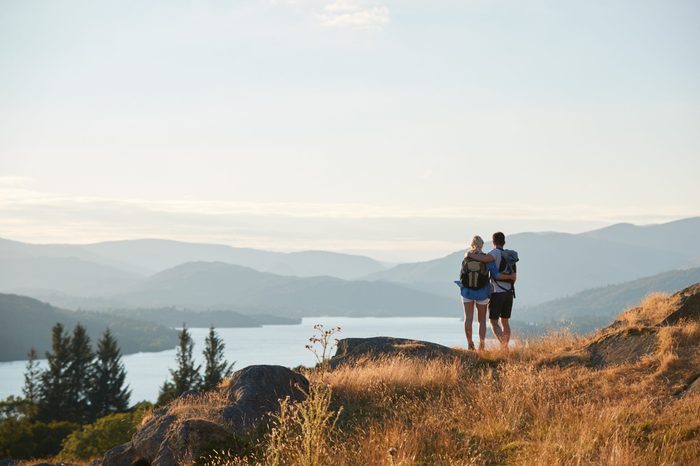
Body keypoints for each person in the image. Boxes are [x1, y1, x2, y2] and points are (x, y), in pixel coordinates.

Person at [457, 235, 516, 350]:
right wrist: (511, 276)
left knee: (468, 318)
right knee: (482, 320)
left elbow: (462, 275)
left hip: (467, 292)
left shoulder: (466, 257)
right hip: (482, 292)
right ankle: (482, 346)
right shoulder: (486, 258)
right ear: (482, 245)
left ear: (472, 244)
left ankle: (470, 344)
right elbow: (496, 275)